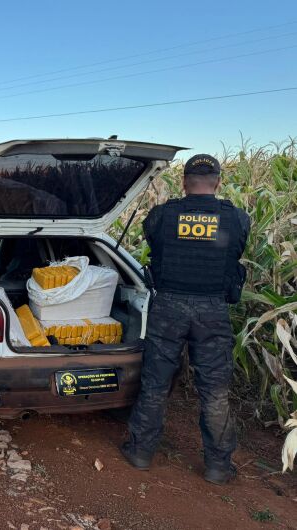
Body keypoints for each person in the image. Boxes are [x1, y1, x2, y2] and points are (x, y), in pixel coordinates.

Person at [120, 154, 250, 485]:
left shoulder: (164, 215)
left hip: (169, 308)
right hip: (212, 310)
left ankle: (140, 453)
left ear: (183, 181)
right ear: (218, 182)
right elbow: (237, 249)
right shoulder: (236, 218)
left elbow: (153, 242)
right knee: (215, 390)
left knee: (156, 382)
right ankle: (218, 467)